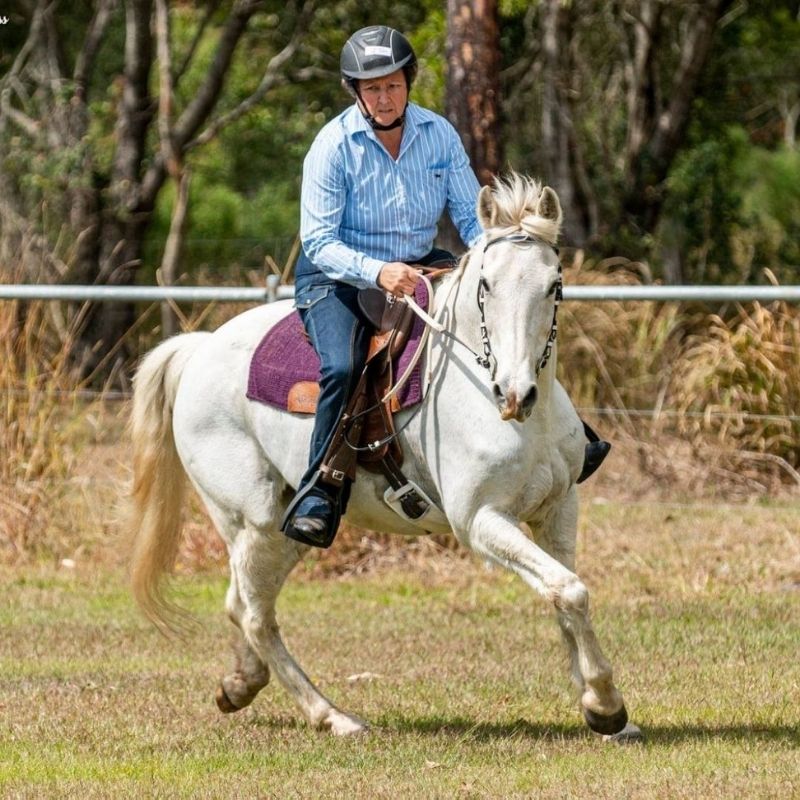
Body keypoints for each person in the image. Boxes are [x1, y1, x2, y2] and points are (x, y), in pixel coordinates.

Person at [282, 25, 608, 548]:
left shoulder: (438, 134)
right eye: (372, 89)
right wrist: (378, 271)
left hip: (422, 263)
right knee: (343, 366)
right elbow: (318, 241)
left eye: (392, 85)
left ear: (409, 82)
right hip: (340, 275)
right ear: (356, 94)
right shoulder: (331, 146)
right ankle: (321, 489)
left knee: (504, 314)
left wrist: (501, 260)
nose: (384, 98)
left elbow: (469, 213)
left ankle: (570, 437)